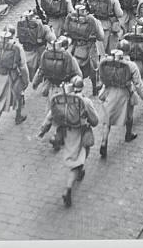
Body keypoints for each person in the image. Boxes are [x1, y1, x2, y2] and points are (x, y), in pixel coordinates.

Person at [38, 76, 99, 208]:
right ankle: (68, 189)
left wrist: (43, 129)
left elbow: (50, 116)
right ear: (82, 88)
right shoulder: (85, 101)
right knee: (76, 162)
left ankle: (79, 169)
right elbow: (95, 120)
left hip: (65, 133)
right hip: (79, 133)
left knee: (76, 158)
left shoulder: (60, 100)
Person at [98, 43, 143, 158]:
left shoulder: (105, 62)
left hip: (109, 92)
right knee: (129, 115)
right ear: (128, 51)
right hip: (125, 93)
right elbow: (138, 83)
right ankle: (128, 134)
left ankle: (104, 141)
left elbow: (101, 76)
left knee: (107, 119)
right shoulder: (131, 65)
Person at [0, 28, 29, 140]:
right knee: (18, 94)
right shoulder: (16, 48)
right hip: (12, 77)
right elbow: (23, 66)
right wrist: (26, 80)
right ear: (13, 35)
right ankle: (18, 116)